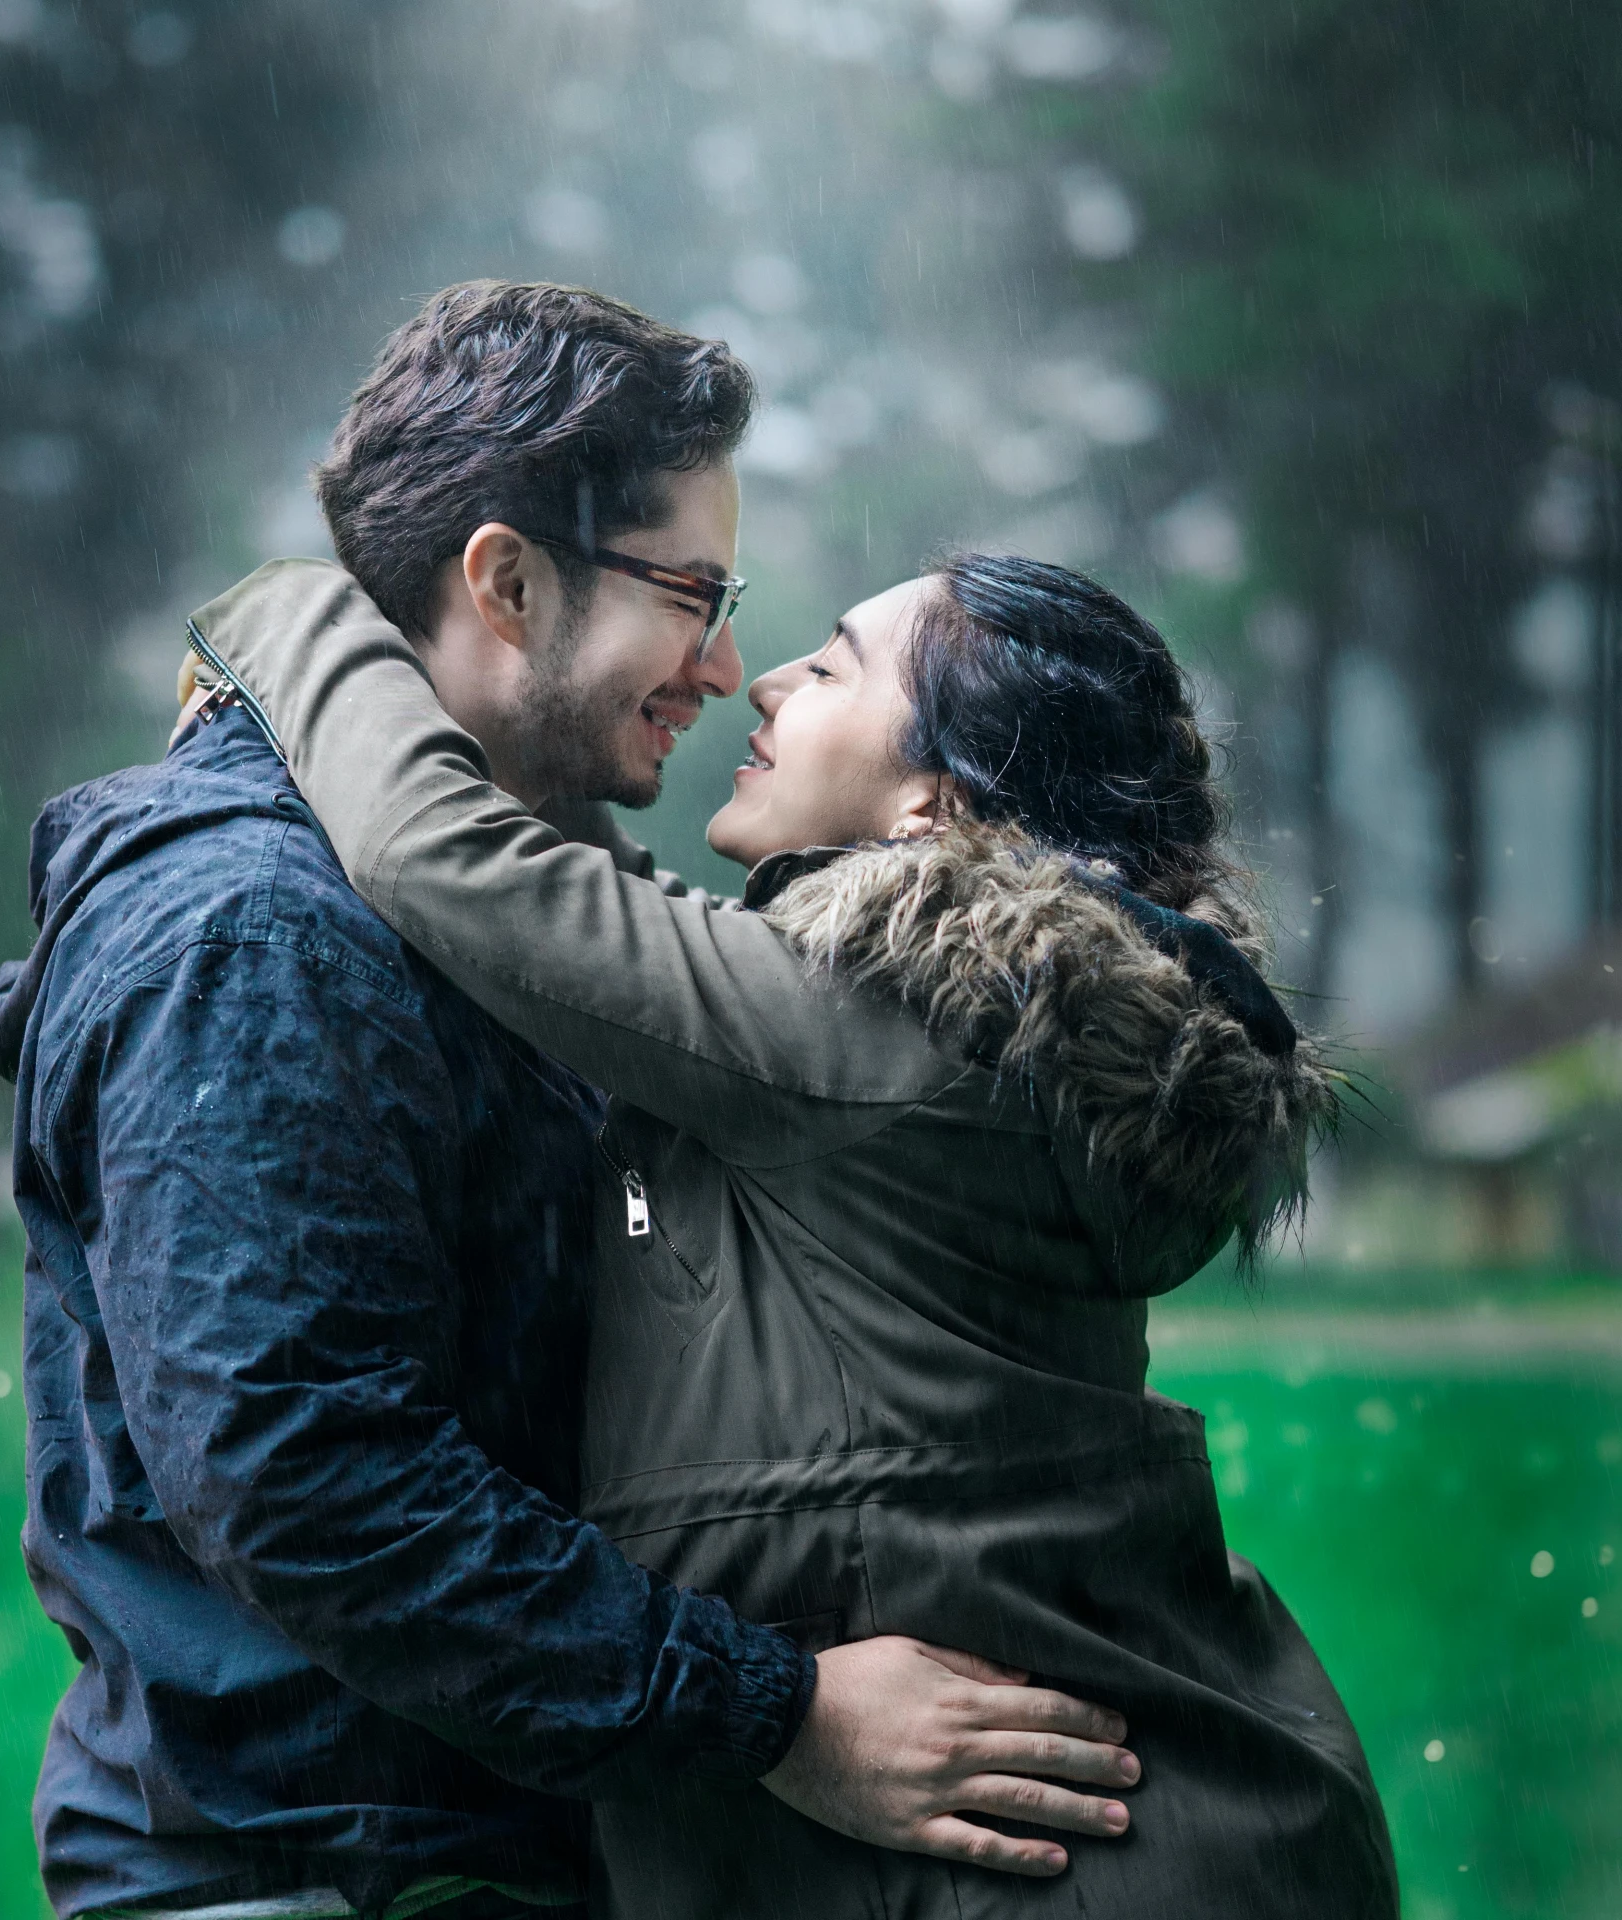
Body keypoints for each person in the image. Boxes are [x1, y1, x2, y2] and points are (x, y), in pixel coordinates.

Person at [0, 282, 1139, 1920]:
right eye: (694, 594)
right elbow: (315, 1482)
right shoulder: (256, 935)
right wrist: (778, 1714)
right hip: (320, 1876)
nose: (729, 665)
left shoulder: (507, 927)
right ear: (507, 582)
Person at [187, 535, 1402, 1917]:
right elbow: (605, 925)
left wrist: (293, 608)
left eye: (828, 666)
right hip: (1160, 1841)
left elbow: (443, 858)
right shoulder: (991, 1041)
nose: (762, 682)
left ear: (932, 805)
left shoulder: (861, 1036)